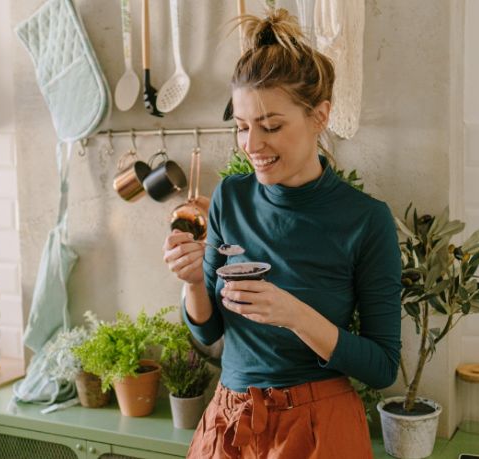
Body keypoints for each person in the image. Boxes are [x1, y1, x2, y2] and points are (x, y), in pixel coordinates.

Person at [162, 9, 402, 459]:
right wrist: (192, 281)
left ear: (319, 116)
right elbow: (208, 331)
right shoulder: (230, 197)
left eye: (271, 126)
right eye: (242, 127)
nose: (252, 146)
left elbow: (383, 367)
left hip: (317, 428)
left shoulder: (365, 220)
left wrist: (295, 315)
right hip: (230, 421)